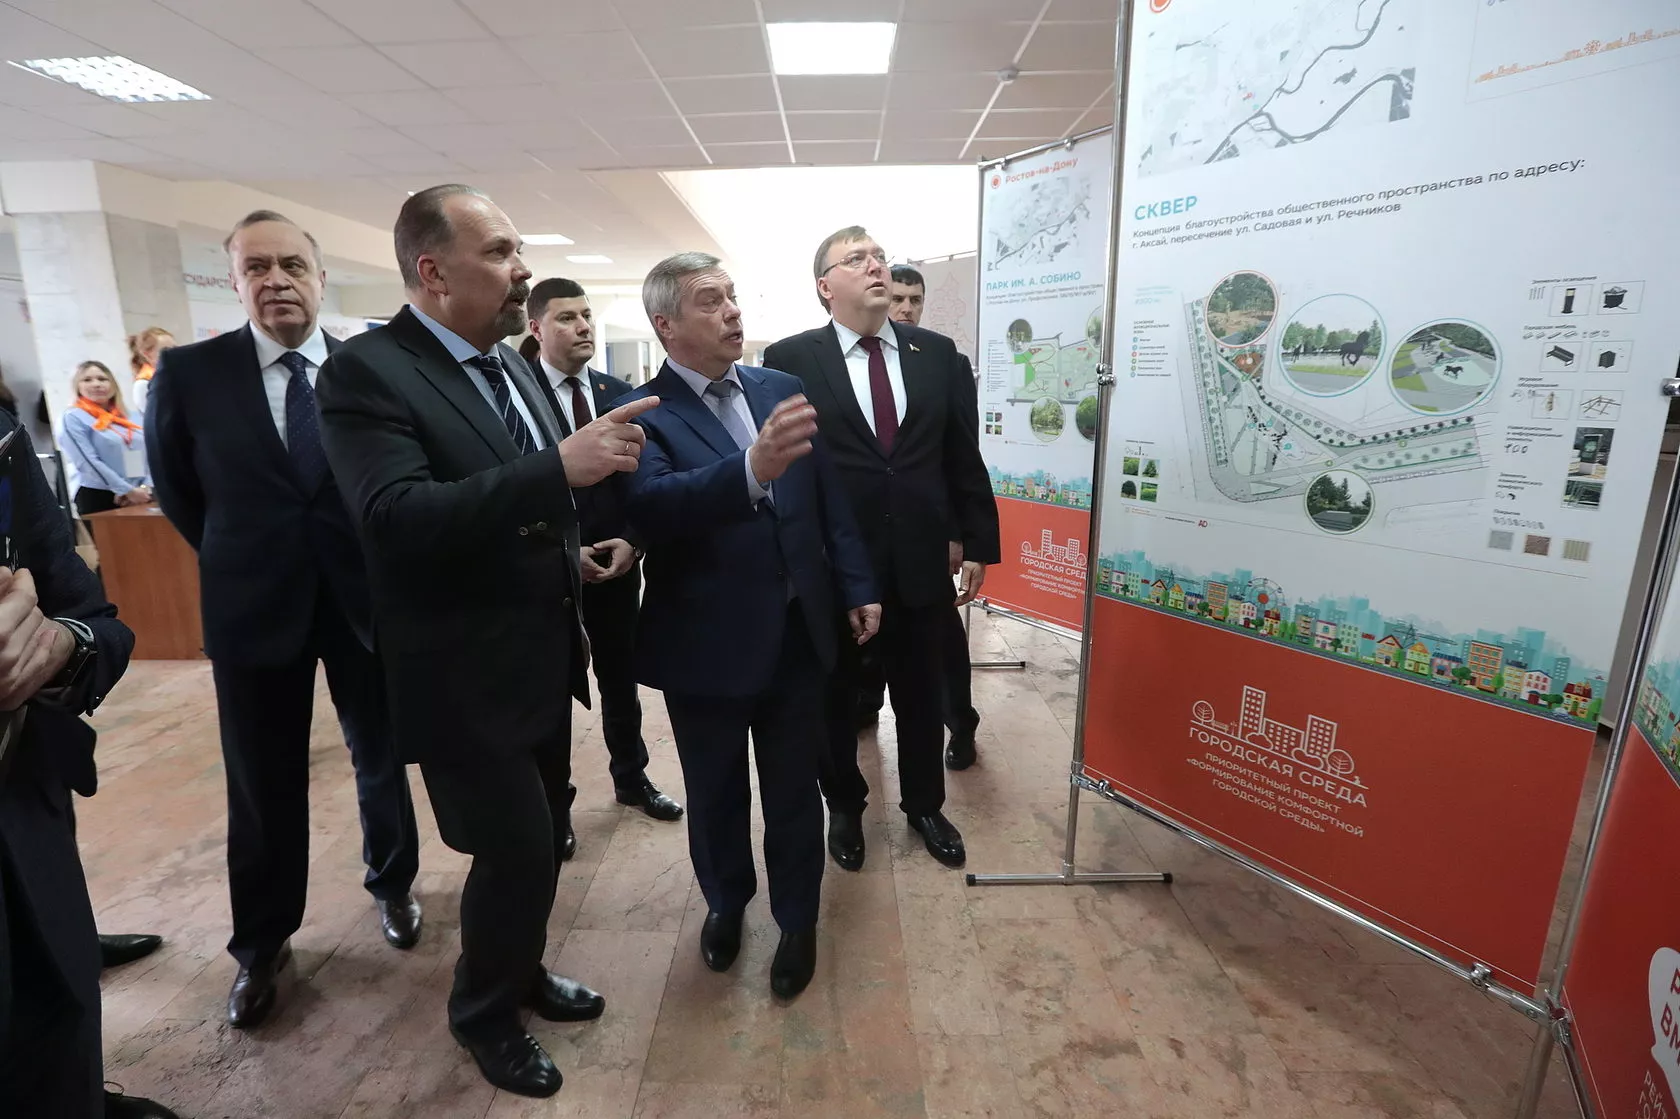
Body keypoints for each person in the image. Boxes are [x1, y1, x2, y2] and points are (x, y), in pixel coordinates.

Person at [317, 184, 654, 1099]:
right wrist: (557, 468)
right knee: (516, 847)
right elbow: (393, 517)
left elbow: (508, 502)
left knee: (543, 836)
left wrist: (569, 552)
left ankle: (522, 967)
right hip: (460, 670)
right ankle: (484, 1013)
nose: (523, 269)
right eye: (500, 252)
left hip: (541, 652)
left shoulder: (507, 364)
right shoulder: (366, 372)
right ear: (432, 272)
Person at [146, 210, 423, 1032]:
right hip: (253, 604)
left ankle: (394, 883)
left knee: (381, 752)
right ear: (233, 282)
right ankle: (262, 943)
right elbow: (179, 492)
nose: (277, 281)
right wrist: (244, 553)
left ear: (320, 277)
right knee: (262, 780)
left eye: (292, 265)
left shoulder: (367, 369)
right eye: (257, 267)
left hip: (363, 598)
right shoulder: (190, 372)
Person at [619, 252, 878, 999]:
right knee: (716, 791)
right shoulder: (642, 413)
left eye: (732, 295)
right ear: (666, 324)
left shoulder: (780, 388)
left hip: (797, 632)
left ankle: (798, 920)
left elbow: (826, 499)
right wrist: (749, 470)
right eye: (710, 300)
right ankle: (726, 903)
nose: (732, 310)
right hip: (705, 642)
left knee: (794, 791)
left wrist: (857, 585)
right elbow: (653, 507)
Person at [763, 227, 999, 873]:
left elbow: (961, 453)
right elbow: (788, 470)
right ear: (825, 286)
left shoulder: (936, 354)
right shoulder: (789, 359)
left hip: (921, 558)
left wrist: (976, 540)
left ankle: (925, 805)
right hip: (835, 564)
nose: (876, 266)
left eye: (879, 257)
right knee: (834, 695)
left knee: (921, 691)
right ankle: (844, 803)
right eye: (857, 259)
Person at [0, 412, 180, 1118]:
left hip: (25, 799)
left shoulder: (2, 437)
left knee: (62, 996)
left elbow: (96, 619)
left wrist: (60, 647)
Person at [526, 277, 682, 829]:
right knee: (551, 690)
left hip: (614, 563)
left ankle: (632, 779)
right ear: (536, 327)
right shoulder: (517, 393)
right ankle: (555, 806)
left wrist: (634, 541)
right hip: (547, 571)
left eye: (586, 315)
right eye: (566, 318)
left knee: (620, 679)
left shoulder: (619, 395)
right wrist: (560, 551)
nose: (583, 327)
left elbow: (642, 483)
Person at [864, 263, 983, 770]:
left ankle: (960, 722)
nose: (906, 308)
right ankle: (865, 706)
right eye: (898, 298)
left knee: (941, 639)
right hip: (868, 534)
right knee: (868, 625)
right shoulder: (842, 363)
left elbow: (961, 454)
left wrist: (959, 534)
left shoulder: (944, 361)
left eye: (915, 300)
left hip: (928, 535)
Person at [58, 362, 150, 527]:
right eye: (87, 380)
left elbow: (149, 454)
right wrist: (125, 490)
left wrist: (145, 487)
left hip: (140, 495)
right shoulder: (73, 417)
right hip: (100, 495)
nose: (97, 384)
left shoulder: (130, 417)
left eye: (102, 379)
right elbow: (88, 462)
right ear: (77, 386)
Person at [126, 327, 174, 423]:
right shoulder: (143, 383)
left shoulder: (173, 375)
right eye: (166, 350)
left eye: (175, 349)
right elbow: (156, 419)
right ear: (147, 355)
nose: (174, 353)